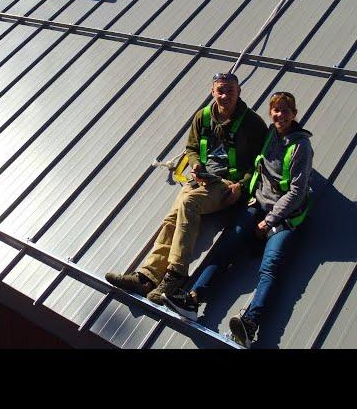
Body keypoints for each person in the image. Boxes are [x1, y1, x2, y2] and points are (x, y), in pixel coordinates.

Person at [162, 91, 313, 348]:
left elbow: (297, 192)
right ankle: (193, 299)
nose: (281, 115)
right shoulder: (270, 135)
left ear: (294, 114)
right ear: (271, 113)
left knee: (270, 266)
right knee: (226, 248)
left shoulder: (301, 146)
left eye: (286, 110)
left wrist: (269, 221)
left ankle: (250, 323)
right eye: (276, 110)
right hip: (258, 205)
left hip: (286, 216)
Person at [106, 73, 268, 305]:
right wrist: (195, 163)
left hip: (226, 184)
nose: (225, 96)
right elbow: (191, 146)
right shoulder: (202, 117)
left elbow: (260, 162)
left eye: (230, 91)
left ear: (239, 92)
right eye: (220, 91)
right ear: (213, 92)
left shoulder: (252, 123)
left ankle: (176, 274)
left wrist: (241, 186)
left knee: (188, 204)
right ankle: (147, 276)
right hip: (200, 179)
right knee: (172, 218)